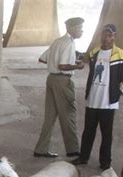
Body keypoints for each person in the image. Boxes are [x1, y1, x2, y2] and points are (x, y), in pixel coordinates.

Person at [72, 24, 123, 170]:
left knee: (106, 134)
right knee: (88, 131)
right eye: (104, 34)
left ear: (114, 37)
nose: (106, 37)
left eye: (109, 35)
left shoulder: (120, 55)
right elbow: (83, 62)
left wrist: (118, 92)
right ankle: (83, 157)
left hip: (108, 102)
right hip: (93, 99)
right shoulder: (94, 52)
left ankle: (105, 162)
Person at [33, 17, 85, 158]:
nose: (82, 31)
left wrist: (58, 62)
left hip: (51, 79)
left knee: (50, 116)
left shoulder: (57, 41)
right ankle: (73, 150)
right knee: (68, 114)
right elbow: (63, 66)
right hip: (62, 80)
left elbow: (43, 58)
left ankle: (41, 149)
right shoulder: (69, 43)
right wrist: (77, 66)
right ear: (71, 28)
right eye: (80, 28)